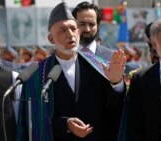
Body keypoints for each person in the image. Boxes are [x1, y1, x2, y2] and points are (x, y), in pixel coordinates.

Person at [16, 2, 126, 141]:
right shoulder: (39, 74)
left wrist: (116, 83)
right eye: (63, 30)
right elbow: (34, 121)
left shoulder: (98, 65)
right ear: (51, 39)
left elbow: (114, 111)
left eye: (73, 29)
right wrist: (65, 124)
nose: (70, 34)